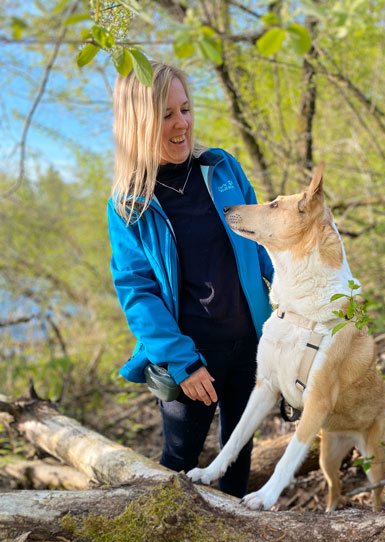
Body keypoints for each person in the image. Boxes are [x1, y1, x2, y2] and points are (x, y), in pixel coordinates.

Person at [107, 62, 273, 498]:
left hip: (251, 345)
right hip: (190, 359)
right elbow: (137, 293)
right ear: (139, 123)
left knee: (237, 453)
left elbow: (262, 245)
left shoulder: (222, 168)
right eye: (165, 115)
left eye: (184, 109)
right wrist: (184, 362)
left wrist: (289, 312)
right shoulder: (128, 205)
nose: (181, 123)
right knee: (177, 465)